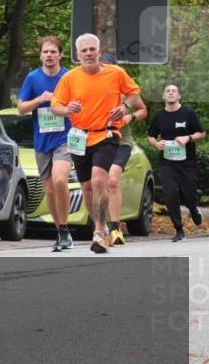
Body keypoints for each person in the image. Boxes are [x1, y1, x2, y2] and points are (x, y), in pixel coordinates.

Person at [50, 34, 146, 254]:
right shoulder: (70, 78)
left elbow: (134, 93)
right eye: (84, 51)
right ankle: (99, 227)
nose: (89, 53)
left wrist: (125, 108)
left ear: (99, 52)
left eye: (92, 49)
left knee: (99, 179)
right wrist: (67, 110)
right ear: (77, 55)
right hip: (79, 138)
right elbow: (56, 106)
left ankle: (101, 232)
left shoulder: (116, 73)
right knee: (87, 188)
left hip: (106, 134)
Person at [17, 36, 74, 252]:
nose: (49, 55)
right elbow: (22, 108)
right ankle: (60, 231)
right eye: (45, 52)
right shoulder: (33, 78)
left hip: (65, 137)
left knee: (60, 180)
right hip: (42, 141)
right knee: (49, 190)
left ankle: (66, 228)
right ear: (40, 55)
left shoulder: (68, 76)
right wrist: (40, 99)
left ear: (60, 54)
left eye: (53, 52)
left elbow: (81, 102)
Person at [97, 52, 146, 246]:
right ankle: (103, 226)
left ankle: (116, 229)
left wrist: (129, 117)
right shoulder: (92, 88)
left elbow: (143, 110)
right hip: (99, 140)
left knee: (113, 180)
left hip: (122, 141)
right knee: (98, 183)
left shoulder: (126, 92)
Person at [147, 83, 205, 242]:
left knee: (189, 194)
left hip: (187, 162)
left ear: (179, 96)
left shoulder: (188, 113)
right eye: (168, 91)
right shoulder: (159, 115)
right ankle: (179, 230)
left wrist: (188, 138)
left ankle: (193, 209)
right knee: (170, 194)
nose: (171, 93)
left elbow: (202, 133)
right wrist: (156, 144)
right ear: (163, 96)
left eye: (174, 91)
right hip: (167, 163)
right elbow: (151, 135)